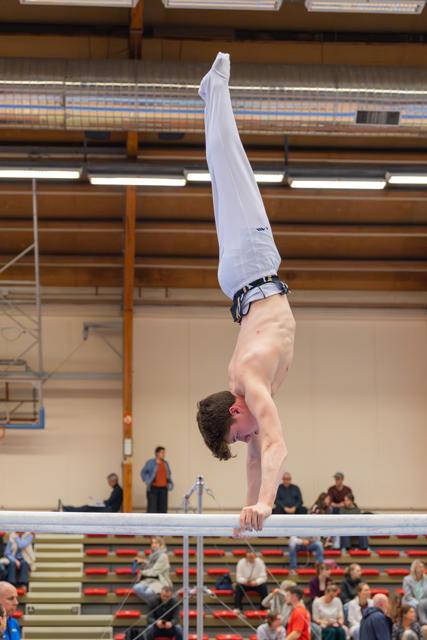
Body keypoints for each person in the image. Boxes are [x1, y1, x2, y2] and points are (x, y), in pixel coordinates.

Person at [196, 51, 296, 532]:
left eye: (236, 435)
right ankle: (210, 95)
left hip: (253, 268)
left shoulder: (251, 379)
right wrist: (249, 509)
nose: (245, 440)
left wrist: (269, 504)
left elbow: (277, 447)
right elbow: (257, 459)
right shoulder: (242, 388)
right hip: (240, 280)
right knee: (222, 175)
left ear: (236, 410)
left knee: (232, 167)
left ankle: (215, 88)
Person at [133, 537, 172, 604]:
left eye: (156, 543)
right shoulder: (153, 555)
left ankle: (156, 605)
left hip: (160, 580)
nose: (153, 545)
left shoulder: (163, 556)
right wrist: (143, 561)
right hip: (149, 580)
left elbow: (154, 572)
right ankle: (153, 604)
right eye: (152, 543)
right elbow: (151, 564)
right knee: (137, 587)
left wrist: (141, 572)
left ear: (161, 545)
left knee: (148, 592)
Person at [141, 447, 174, 514]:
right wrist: (147, 480)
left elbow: (169, 474)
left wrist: (169, 484)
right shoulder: (150, 463)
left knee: (163, 509)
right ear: (157, 453)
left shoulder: (165, 463)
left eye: (164, 453)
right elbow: (143, 472)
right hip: (153, 489)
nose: (163, 454)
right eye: (162, 452)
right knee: (152, 509)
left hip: (163, 489)